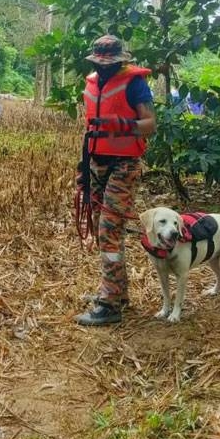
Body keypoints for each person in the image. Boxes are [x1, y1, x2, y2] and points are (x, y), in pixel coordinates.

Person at [75, 35, 156, 326]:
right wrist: (83, 169)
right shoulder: (93, 81)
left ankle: (110, 304)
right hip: (97, 162)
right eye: (101, 63)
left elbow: (150, 125)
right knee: (101, 229)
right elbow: (88, 127)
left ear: (122, 60)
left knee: (110, 229)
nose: (105, 68)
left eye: (111, 64)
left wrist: (122, 125)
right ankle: (117, 292)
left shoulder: (135, 83)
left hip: (125, 164)